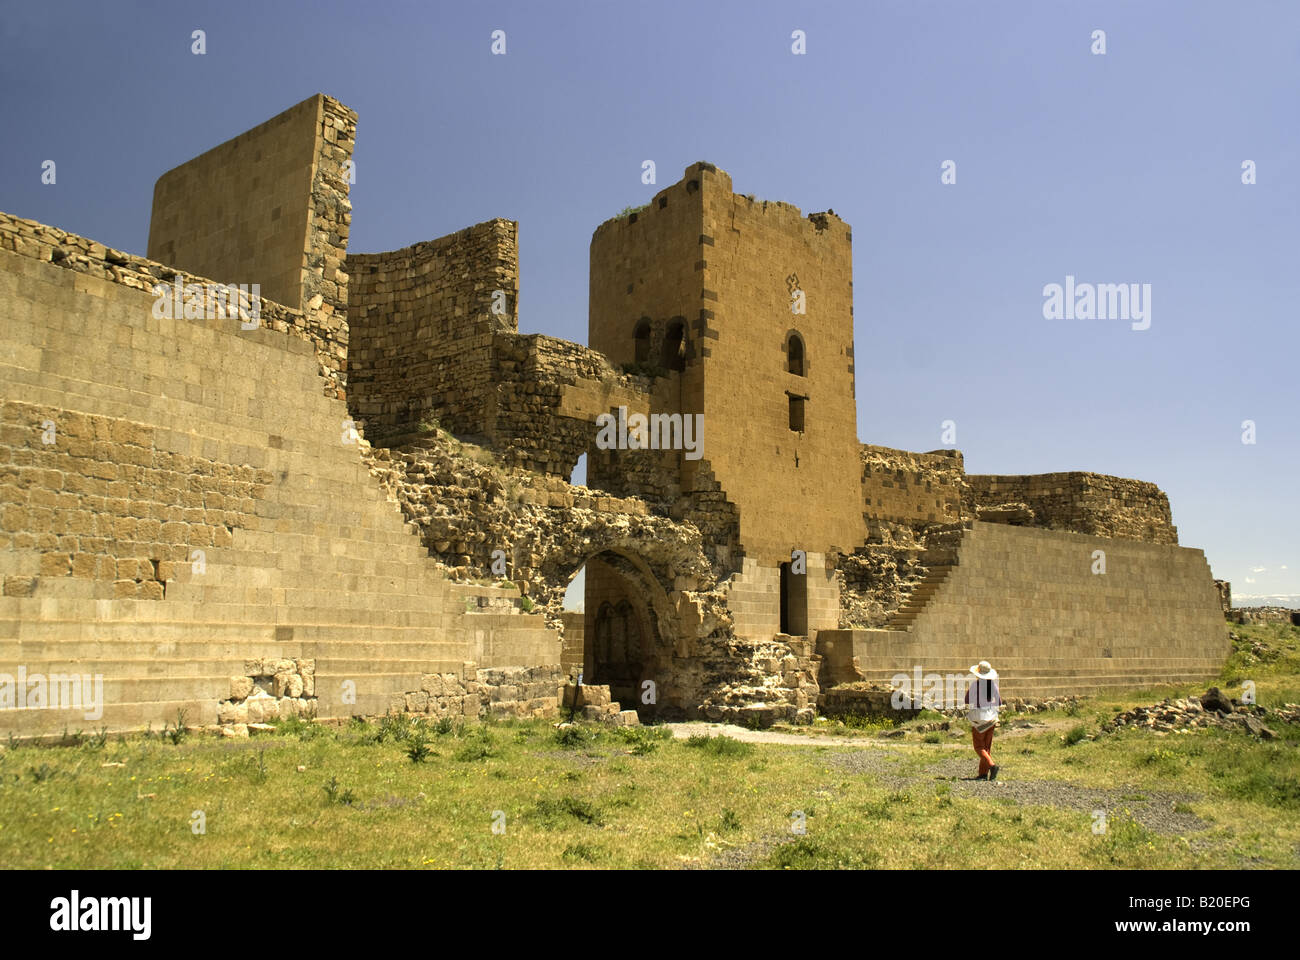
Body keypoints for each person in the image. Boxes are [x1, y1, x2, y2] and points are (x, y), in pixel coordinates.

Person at [965, 660, 1001, 781]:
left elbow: (967, 699)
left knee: (979, 746)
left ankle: (992, 766)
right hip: (992, 717)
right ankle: (983, 774)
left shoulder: (975, 685)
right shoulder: (993, 686)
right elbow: (999, 702)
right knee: (987, 747)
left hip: (979, 718)